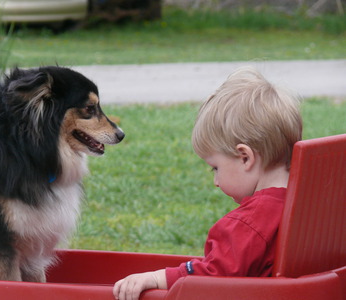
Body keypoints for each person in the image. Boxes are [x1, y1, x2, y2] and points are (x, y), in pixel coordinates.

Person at [113, 67, 303, 300]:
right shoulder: (310, 204)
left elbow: (213, 276)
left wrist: (155, 278)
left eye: (216, 167)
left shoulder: (248, 223)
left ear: (245, 158)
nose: (215, 181)